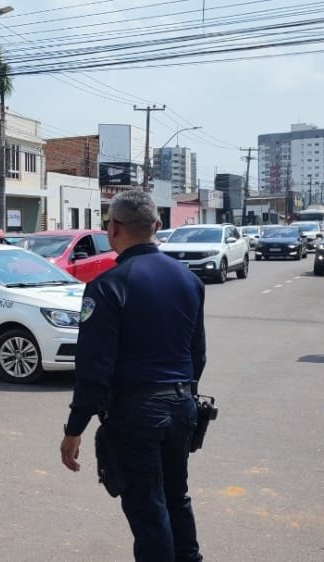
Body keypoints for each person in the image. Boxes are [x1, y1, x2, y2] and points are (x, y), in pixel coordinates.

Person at [59, 190, 206, 562]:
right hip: (180, 406)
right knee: (176, 498)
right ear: (157, 226)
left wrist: (74, 429)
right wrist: (183, 398)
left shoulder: (107, 286)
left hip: (136, 414)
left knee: (148, 509)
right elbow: (197, 355)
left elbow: (94, 368)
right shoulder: (189, 281)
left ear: (113, 229)